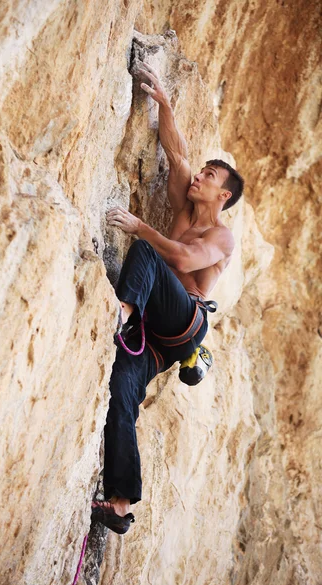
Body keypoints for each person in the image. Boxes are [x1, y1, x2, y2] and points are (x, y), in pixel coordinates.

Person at [91, 62, 244, 534]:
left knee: (149, 250)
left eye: (210, 175)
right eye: (204, 170)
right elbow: (176, 153)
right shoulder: (185, 202)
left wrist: (140, 227)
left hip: (186, 323)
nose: (200, 175)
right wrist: (164, 103)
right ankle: (119, 502)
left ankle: (124, 312)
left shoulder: (221, 237)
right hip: (156, 341)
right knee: (122, 388)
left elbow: (178, 257)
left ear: (224, 195)